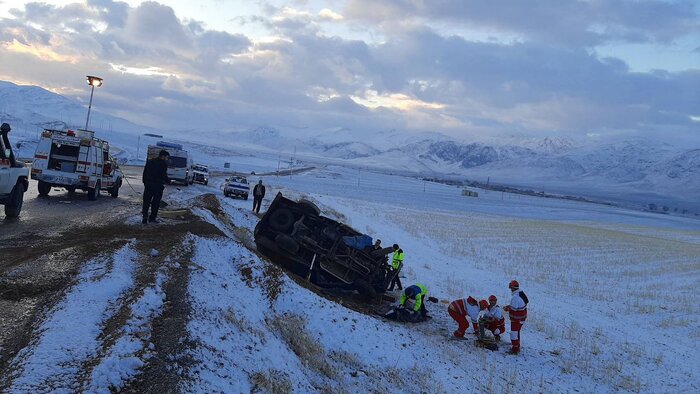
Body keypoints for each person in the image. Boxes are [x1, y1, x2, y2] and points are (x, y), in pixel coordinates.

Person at [142, 150, 170, 224]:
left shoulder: (150, 161)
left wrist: (145, 183)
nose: (167, 159)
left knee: (146, 202)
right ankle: (152, 218)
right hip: (158, 187)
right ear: (163, 156)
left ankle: (144, 218)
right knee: (155, 203)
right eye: (166, 157)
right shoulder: (163, 164)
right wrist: (168, 181)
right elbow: (163, 175)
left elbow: (145, 172)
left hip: (148, 185)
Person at [503, 280, 529, 354]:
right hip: (522, 317)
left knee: (513, 334)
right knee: (517, 332)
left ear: (512, 287)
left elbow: (514, 309)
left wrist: (507, 308)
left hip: (516, 319)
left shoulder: (515, 297)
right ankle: (517, 345)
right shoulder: (521, 293)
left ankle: (515, 349)